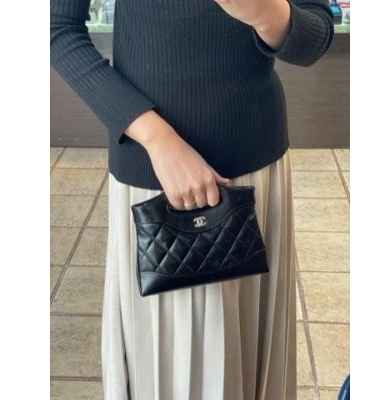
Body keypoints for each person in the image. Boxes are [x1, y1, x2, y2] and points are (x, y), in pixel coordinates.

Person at [50, 0, 334, 399]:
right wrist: (156, 139)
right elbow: (57, 29)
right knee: (166, 365)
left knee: (251, 352)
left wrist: (266, 14)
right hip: (156, 177)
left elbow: (315, 36)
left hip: (256, 171)